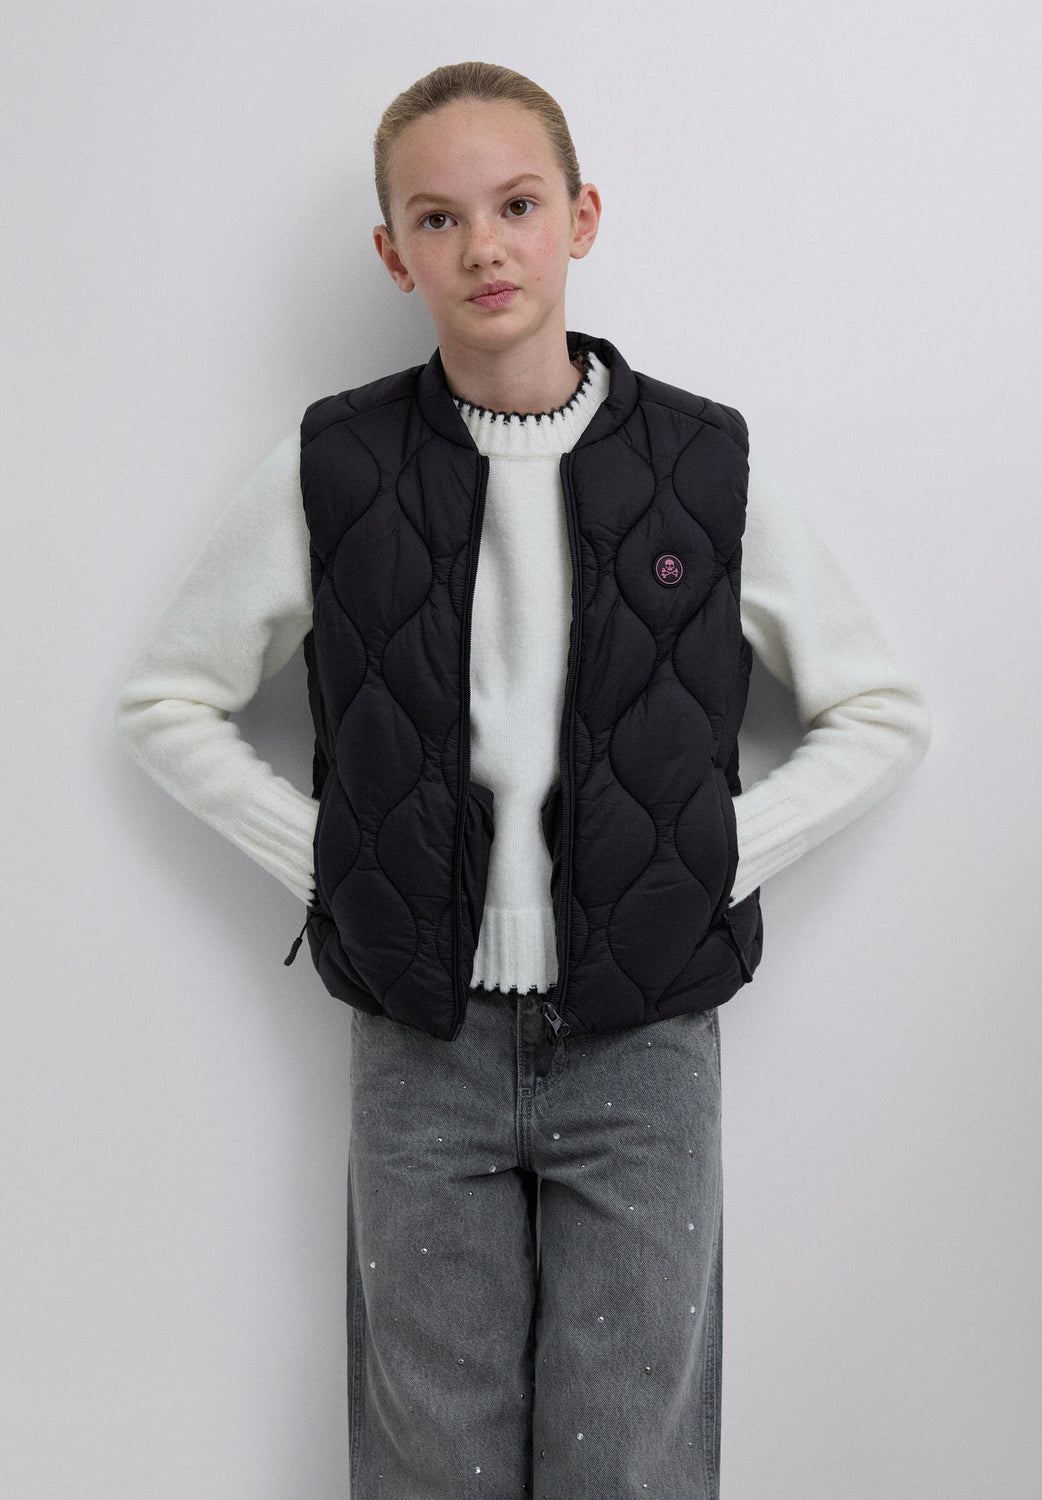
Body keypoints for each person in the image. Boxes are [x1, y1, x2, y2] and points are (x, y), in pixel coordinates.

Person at [118, 60, 929, 1500]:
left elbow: (879, 709)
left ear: (580, 218)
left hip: (645, 1040)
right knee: (432, 1451)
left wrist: (713, 856)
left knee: (631, 1456)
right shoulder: (335, 463)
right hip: (421, 1044)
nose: (482, 247)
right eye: (437, 219)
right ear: (393, 253)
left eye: (516, 206)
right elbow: (167, 699)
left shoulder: (700, 464)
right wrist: (336, 861)